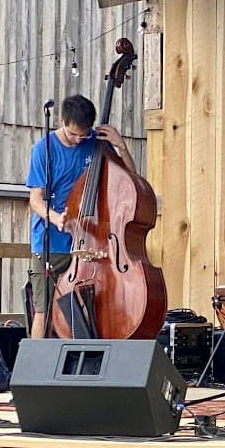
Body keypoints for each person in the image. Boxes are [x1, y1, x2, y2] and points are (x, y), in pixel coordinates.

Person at [26, 93, 137, 338]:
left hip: (93, 241)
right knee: (44, 311)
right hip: (52, 242)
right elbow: (35, 199)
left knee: (93, 310)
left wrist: (121, 146)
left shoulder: (96, 142)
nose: (79, 140)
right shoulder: (43, 149)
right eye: (73, 134)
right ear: (62, 121)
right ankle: (35, 372)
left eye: (84, 135)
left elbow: (133, 180)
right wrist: (55, 218)